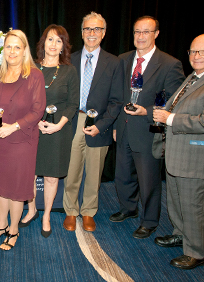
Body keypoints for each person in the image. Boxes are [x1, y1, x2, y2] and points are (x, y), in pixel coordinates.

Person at [152, 34, 204, 269]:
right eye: (193, 52)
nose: (196, 57)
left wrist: (170, 118)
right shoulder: (196, 76)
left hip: (199, 157)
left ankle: (196, 252)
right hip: (180, 154)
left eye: (203, 52)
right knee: (177, 200)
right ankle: (180, 234)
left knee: (195, 205)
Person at [111, 16, 184, 239]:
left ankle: (149, 221)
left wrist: (147, 110)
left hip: (148, 129)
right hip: (123, 128)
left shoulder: (170, 64)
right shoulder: (123, 59)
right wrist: (115, 125)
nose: (140, 36)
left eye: (146, 32)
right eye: (137, 32)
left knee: (149, 180)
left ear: (156, 34)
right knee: (123, 175)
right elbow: (116, 96)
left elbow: (174, 99)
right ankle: (128, 208)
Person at [0, 30, 46, 250]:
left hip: (22, 139)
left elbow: (38, 110)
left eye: (17, 47)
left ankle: (13, 229)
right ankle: (1, 225)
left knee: (16, 188)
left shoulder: (35, 76)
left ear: (24, 50)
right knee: (0, 186)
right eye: (8, 46)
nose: (12, 51)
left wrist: (14, 127)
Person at [63, 12, 123, 232]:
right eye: (88, 29)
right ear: (81, 33)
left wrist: (102, 125)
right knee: (72, 169)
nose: (92, 33)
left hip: (100, 123)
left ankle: (88, 211)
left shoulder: (115, 63)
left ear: (104, 33)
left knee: (94, 171)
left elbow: (117, 100)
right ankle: (71, 210)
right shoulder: (70, 59)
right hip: (73, 120)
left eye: (97, 29)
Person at [18, 24, 79, 238]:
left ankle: (46, 216)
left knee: (52, 177)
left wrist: (58, 125)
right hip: (32, 129)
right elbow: (23, 100)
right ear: (43, 43)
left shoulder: (70, 71)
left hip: (58, 131)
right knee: (31, 175)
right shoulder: (31, 68)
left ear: (64, 46)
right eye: (50, 40)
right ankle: (32, 210)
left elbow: (73, 104)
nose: (54, 45)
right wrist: (33, 122)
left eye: (58, 41)